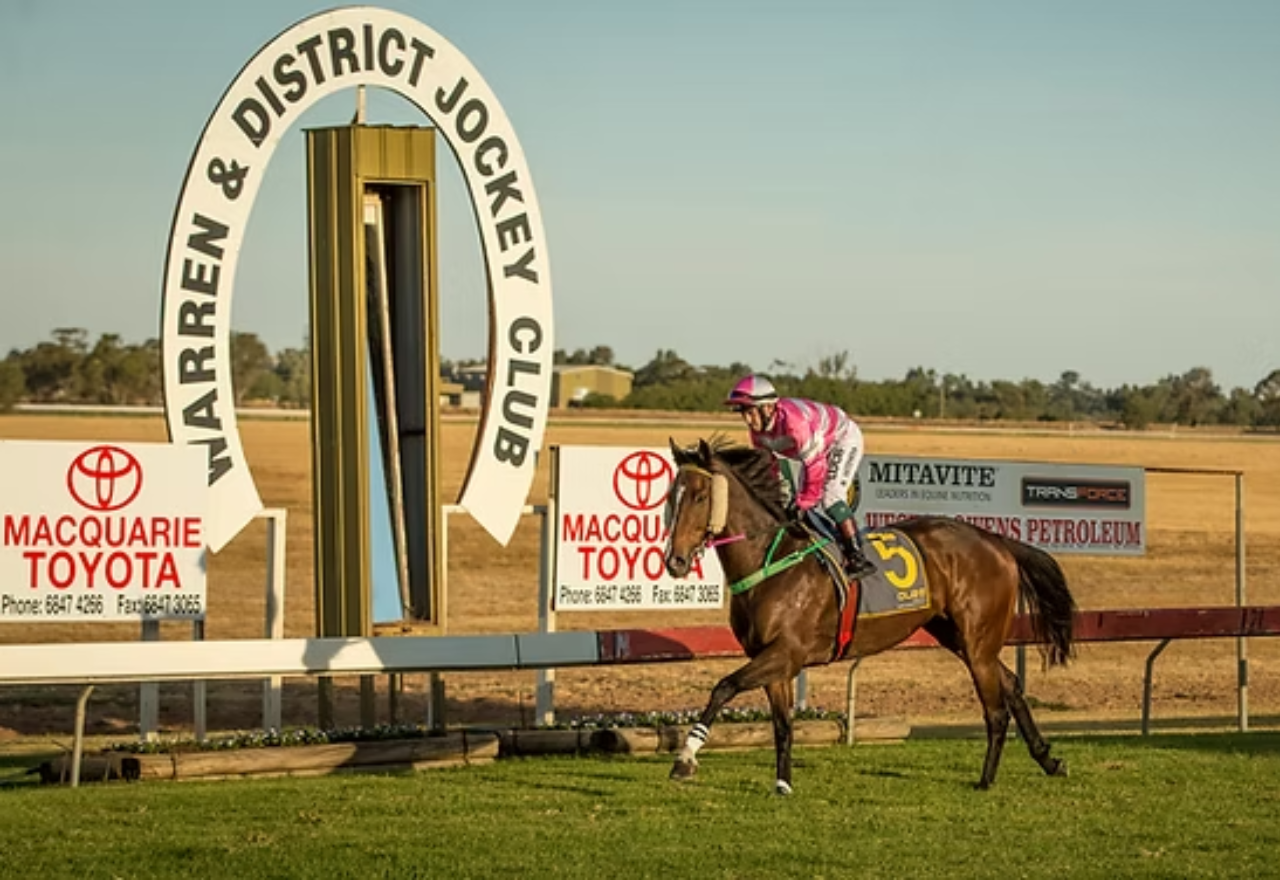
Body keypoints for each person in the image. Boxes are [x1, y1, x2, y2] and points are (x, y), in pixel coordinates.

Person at [724, 374, 877, 580]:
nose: (747, 420)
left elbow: (815, 464)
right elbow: (769, 466)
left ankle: (857, 556)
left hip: (842, 438)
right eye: (743, 413)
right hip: (818, 446)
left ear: (767, 408)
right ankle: (825, 548)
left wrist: (803, 502)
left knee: (830, 497)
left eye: (750, 412)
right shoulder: (757, 433)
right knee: (799, 506)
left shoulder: (794, 423)